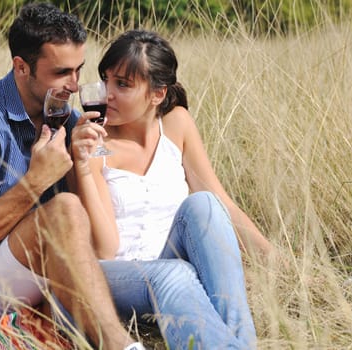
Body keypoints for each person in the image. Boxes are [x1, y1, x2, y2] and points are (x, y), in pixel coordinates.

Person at [0, 4, 144, 349]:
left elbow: (89, 233)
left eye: (79, 70)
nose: (74, 85)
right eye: (61, 72)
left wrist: (82, 162)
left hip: (36, 263)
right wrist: (35, 181)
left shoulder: (67, 119)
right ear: (21, 67)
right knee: (65, 209)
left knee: (166, 279)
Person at [69, 29, 265, 349]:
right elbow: (104, 249)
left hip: (171, 267)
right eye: (105, 80)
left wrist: (284, 265)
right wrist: (82, 165)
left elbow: (222, 204)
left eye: (123, 84)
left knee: (204, 203)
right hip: (114, 277)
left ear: (157, 93)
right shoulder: (94, 141)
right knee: (175, 274)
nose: (108, 93)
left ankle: (242, 342)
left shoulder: (177, 123)